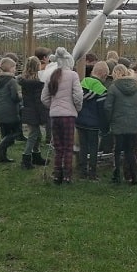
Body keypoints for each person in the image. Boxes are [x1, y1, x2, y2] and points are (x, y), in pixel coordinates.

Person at [41, 47, 83, 184]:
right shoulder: (72, 75)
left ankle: (57, 174)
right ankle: (67, 175)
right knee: (68, 147)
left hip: (55, 116)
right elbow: (78, 95)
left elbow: (44, 98)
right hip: (68, 116)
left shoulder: (51, 76)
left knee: (58, 147)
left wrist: (53, 107)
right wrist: (76, 108)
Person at [105, 64, 137, 184]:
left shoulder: (113, 88)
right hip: (132, 124)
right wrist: (135, 118)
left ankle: (117, 175)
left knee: (117, 150)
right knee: (129, 150)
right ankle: (134, 176)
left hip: (117, 123)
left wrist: (109, 120)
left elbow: (108, 107)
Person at [76, 61, 109, 180]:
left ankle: (82, 171)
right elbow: (103, 111)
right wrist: (105, 127)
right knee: (94, 148)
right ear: (104, 75)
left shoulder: (81, 83)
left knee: (83, 147)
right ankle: (92, 173)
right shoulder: (102, 90)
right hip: (94, 124)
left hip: (80, 122)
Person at [17, 56, 49, 169]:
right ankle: (26, 157)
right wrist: (44, 115)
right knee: (33, 135)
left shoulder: (24, 81)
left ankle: (36, 155)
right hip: (35, 111)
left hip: (28, 110)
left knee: (37, 135)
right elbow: (38, 101)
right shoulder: (38, 83)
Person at [0, 57, 22, 163]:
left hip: (0, 110)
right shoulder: (12, 81)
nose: (15, 70)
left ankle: (2, 157)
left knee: (5, 133)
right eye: (14, 67)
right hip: (10, 111)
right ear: (9, 68)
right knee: (16, 132)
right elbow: (15, 97)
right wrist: (21, 96)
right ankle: (0, 146)